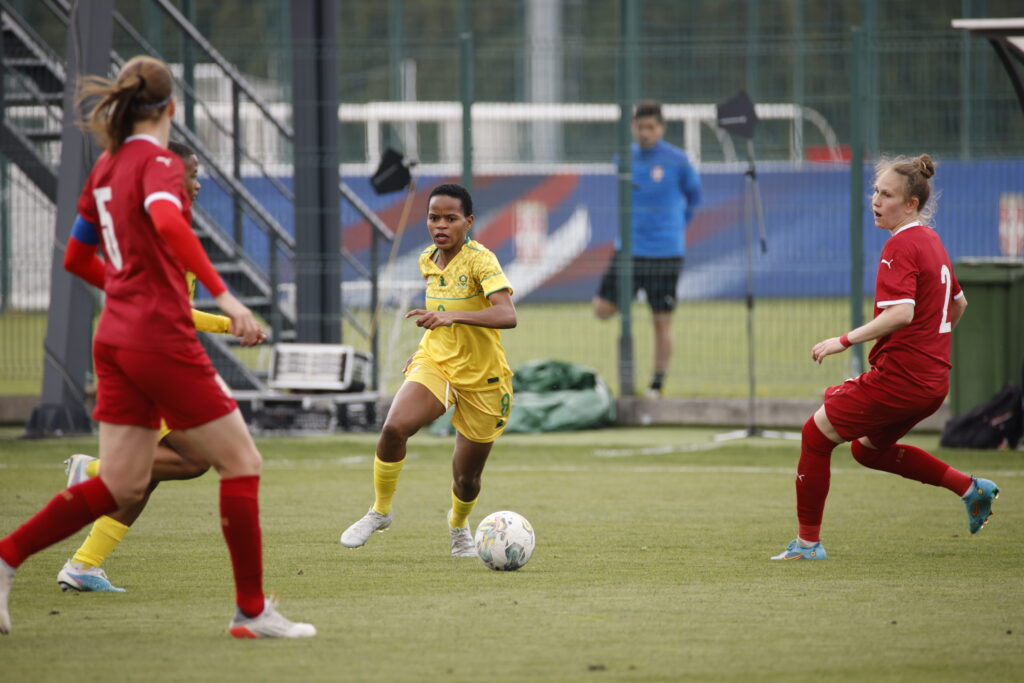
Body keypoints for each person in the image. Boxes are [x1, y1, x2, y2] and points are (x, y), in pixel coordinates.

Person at [0, 55, 313, 638]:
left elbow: (75, 257)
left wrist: (124, 287)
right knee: (241, 462)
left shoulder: (107, 166)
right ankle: (250, 612)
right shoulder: (160, 164)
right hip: (156, 338)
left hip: (114, 337)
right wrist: (229, 300)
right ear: (172, 108)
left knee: (122, 483)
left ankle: (7, 557)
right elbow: (168, 222)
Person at [57, 140, 262, 593]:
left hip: (142, 351)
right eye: (191, 173)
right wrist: (231, 322)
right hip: (151, 357)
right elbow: (170, 309)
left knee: (147, 478)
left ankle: (84, 564)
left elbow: (167, 303)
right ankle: (92, 472)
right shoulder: (161, 229)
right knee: (199, 458)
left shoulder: (157, 221)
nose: (198, 180)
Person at [771, 154, 999, 561]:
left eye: (887, 194)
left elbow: (901, 313)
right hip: (931, 383)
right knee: (867, 450)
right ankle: (969, 488)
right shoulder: (931, 240)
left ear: (911, 204)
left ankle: (808, 545)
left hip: (902, 380)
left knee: (814, 435)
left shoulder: (901, 244)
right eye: (875, 191)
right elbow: (959, 302)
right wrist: (929, 345)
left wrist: (844, 340)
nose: (876, 200)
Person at [339, 183, 516, 557]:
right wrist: (424, 352)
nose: (441, 225)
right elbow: (438, 321)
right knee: (393, 428)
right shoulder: (427, 260)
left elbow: (507, 314)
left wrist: (451, 316)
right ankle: (380, 511)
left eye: (451, 218)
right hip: (436, 363)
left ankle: (458, 526)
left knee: (466, 479)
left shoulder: (481, 260)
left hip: (483, 378)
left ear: (467, 222)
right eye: (434, 217)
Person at [592, 100, 702, 397]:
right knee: (601, 309)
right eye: (640, 127)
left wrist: (676, 226)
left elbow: (694, 197)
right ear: (633, 128)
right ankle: (635, 296)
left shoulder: (677, 160)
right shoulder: (623, 159)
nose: (645, 132)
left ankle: (656, 385)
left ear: (662, 128)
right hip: (628, 249)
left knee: (661, 322)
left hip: (665, 252)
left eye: (651, 127)